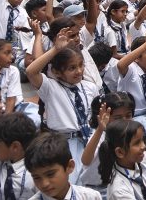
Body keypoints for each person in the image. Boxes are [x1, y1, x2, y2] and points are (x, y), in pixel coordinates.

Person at [26, 31, 101, 182]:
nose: (79, 71)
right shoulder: (51, 87)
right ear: (56, 72)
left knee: (97, 178)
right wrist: (55, 50)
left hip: (90, 138)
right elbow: (31, 71)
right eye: (71, 68)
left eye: (81, 66)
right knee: (72, 181)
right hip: (65, 143)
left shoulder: (90, 87)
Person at [25, 132, 102, 200]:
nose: (44, 184)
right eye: (36, 177)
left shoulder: (90, 197)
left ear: (70, 166)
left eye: (50, 174)